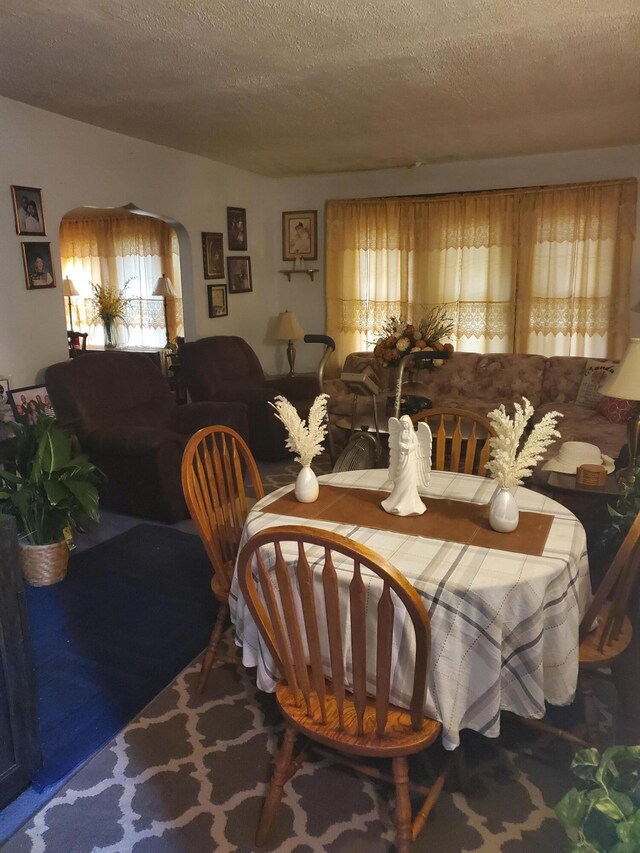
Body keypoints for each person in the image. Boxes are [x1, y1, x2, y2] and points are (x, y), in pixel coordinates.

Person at [382, 416, 431, 516]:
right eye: (402, 424)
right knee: (400, 477)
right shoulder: (401, 433)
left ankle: (409, 503)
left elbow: (415, 444)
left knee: (408, 477)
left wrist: (408, 447)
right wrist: (402, 446)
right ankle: (396, 501)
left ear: (409, 424)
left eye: (405, 424)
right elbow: (399, 442)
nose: (404, 425)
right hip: (402, 457)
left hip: (410, 458)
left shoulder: (412, 434)